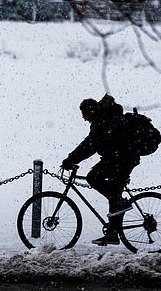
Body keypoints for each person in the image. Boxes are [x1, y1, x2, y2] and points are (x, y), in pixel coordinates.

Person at [61, 93, 140, 246]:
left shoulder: (103, 121)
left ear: (91, 111)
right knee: (113, 194)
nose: (84, 118)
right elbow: (90, 143)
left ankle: (119, 206)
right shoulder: (104, 119)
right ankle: (112, 233)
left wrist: (70, 160)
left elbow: (89, 145)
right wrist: (72, 158)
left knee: (93, 178)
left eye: (84, 114)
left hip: (121, 159)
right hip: (120, 158)